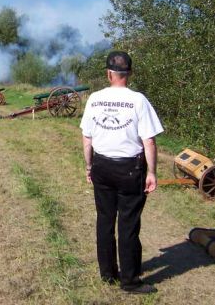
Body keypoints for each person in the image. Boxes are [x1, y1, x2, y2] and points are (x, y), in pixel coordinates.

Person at [79, 51, 163, 295]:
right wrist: (152, 172)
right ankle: (129, 280)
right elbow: (149, 141)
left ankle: (107, 274)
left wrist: (89, 166)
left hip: (102, 166)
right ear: (130, 73)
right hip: (130, 169)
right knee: (128, 224)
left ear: (108, 73)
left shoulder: (94, 98)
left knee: (104, 220)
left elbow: (87, 137)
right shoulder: (138, 100)